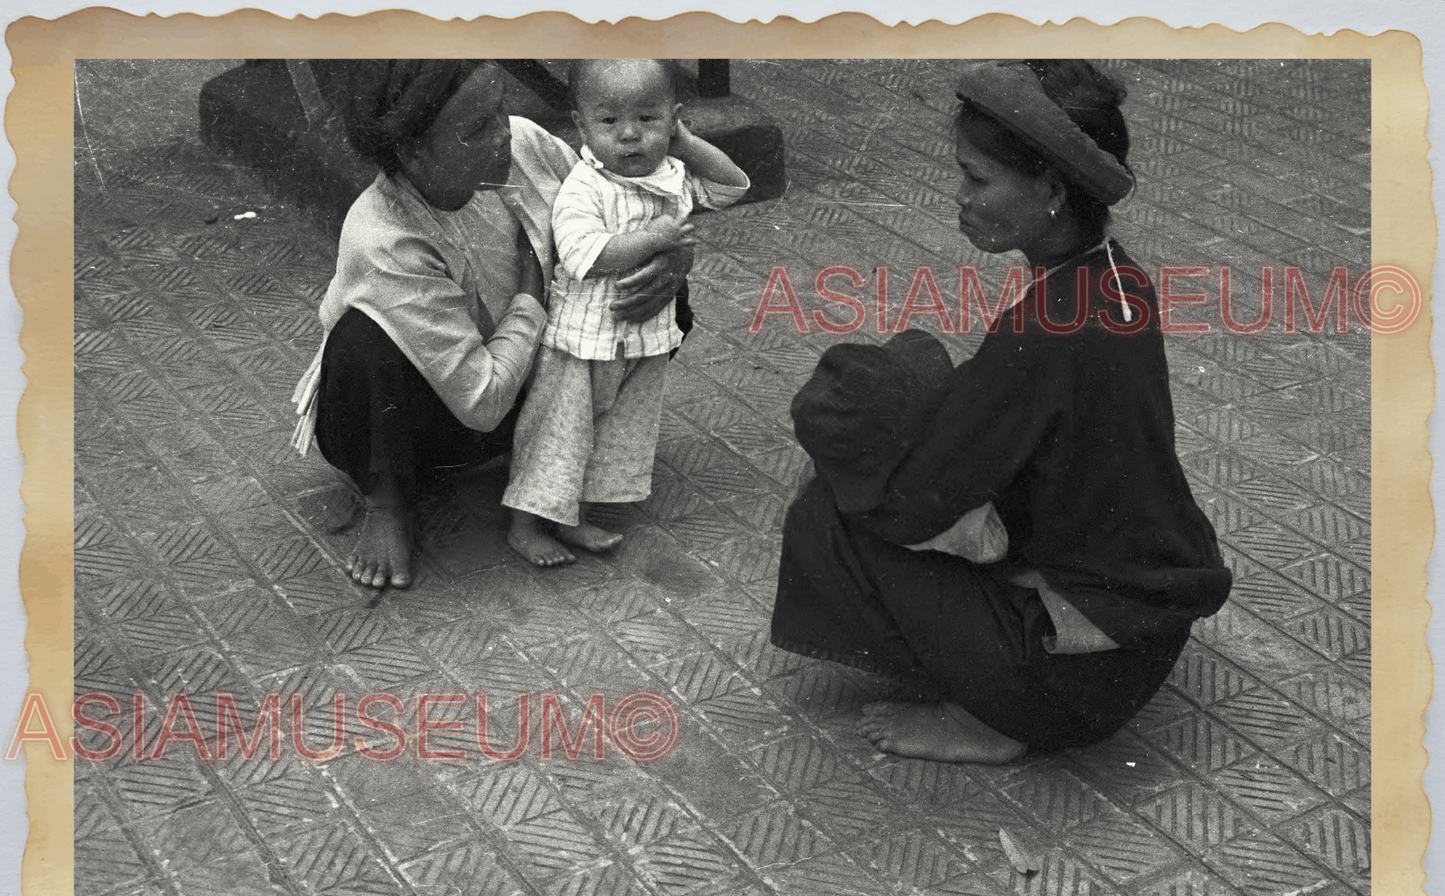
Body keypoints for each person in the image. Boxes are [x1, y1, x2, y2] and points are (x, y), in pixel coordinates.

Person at [770, 59, 1233, 764]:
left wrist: (851, 457)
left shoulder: (1042, 332)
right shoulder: (1118, 278)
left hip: (1069, 683)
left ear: (1049, 190)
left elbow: (913, 504)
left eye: (977, 178)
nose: (959, 196)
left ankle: (987, 715)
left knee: (830, 511)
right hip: (1140, 641)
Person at [288, 59, 693, 590]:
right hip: (415, 421)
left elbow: (618, 210)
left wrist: (674, 264)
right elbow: (480, 402)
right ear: (414, 153)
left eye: (500, 108)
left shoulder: (525, 143)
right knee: (365, 341)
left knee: (660, 288)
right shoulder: (385, 235)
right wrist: (529, 292)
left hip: (523, 383)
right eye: (476, 128)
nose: (504, 133)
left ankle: (554, 461)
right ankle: (386, 503)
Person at [503, 59, 750, 566]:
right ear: (581, 126)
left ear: (674, 118)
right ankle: (525, 525)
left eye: (649, 120)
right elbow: (583, 255)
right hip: (580, 344)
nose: (631, 136)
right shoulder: (583, 187)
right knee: (559, 433)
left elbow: (731, 187)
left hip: (644, 337)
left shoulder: (673, 175)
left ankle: (574, 517)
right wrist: (653, 238)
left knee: (616, 432)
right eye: (609, 122)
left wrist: (685, 144)